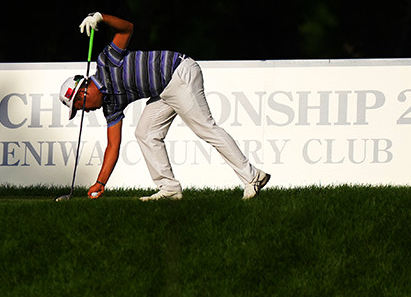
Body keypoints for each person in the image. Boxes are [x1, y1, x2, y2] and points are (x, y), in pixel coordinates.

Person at [59, 12, 270, 201]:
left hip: (179, 72)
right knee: (145, 133)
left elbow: (127, 28)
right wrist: (101, 183)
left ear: (83, 92)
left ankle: (252, 177)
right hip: (163, 91)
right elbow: (113, 146)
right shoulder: (110, 106)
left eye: (80, 106)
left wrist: (101, 17)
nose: (85, 111)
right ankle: (169, 189)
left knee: (205, 127)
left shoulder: (106, 61)